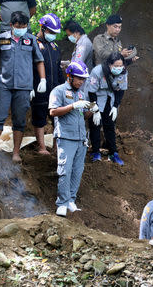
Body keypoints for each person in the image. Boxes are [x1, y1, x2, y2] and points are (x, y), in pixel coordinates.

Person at [0, 11, 45, 162]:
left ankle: (16, 152)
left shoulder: (31, 40)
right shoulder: (2, 38)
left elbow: (39, 61)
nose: (21, 28)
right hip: (4, 85)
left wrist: (42, 79)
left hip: (24, 86)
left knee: (19, 120)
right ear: (11, 25)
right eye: (18, 26)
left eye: (24, 26)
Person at [49, 61, 101, 217]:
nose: (81, 82)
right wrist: (73, 106)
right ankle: (62, 203)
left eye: (83, 79)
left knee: (77, 171)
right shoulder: (59, 91)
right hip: (66, 137)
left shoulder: (80, 93)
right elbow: (53, 112)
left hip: (80, 138)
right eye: (78, 78)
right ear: (69, 76)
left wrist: (93, 110)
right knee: (65, 170)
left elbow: (82, 115)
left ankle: (71, 199)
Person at [32, 13, 65, 155]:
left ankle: (57, 147)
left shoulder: (54, 47)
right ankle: (42, 147)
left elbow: (58, 69)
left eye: (55, 33)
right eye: (51, 32)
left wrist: (63, 86)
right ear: (43, 28)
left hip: (54, 89)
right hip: (38, 88)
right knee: (39, 117)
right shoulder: (33, 43)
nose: (53, 35)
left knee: (57, 118)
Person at [87, 51, 127, 165]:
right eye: (116, 66)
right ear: (109, 64)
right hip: (95, 98)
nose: (119, 68)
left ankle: (113, 153)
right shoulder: (98, 71)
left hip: (110, 98)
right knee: (95, 125)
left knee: (110, 126)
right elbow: (91, 91)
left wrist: (115, 106)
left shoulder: (123, 72)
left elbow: (121, 89)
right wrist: (94, 108)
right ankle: (95, 152)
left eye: (121, 66)